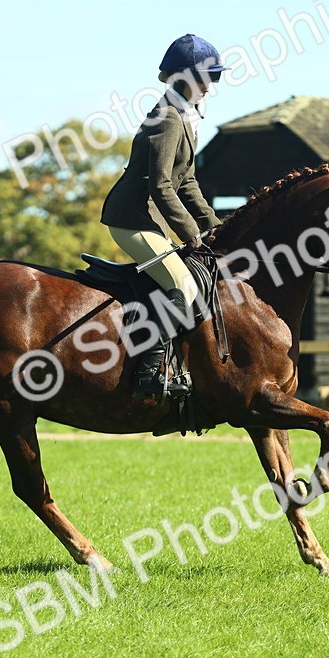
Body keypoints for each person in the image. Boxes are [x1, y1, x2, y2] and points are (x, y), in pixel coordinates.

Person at [100, 33, 225, 399]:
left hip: (149, 218)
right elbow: (161, 186)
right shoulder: (168, 117)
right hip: (131, 220)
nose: (211, 87)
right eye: (207, 78)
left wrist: (217, 227)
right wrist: (191, 233)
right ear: (185, 79)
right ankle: (149, 372)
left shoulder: (184, 115)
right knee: (183, 287)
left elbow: (187, 182)